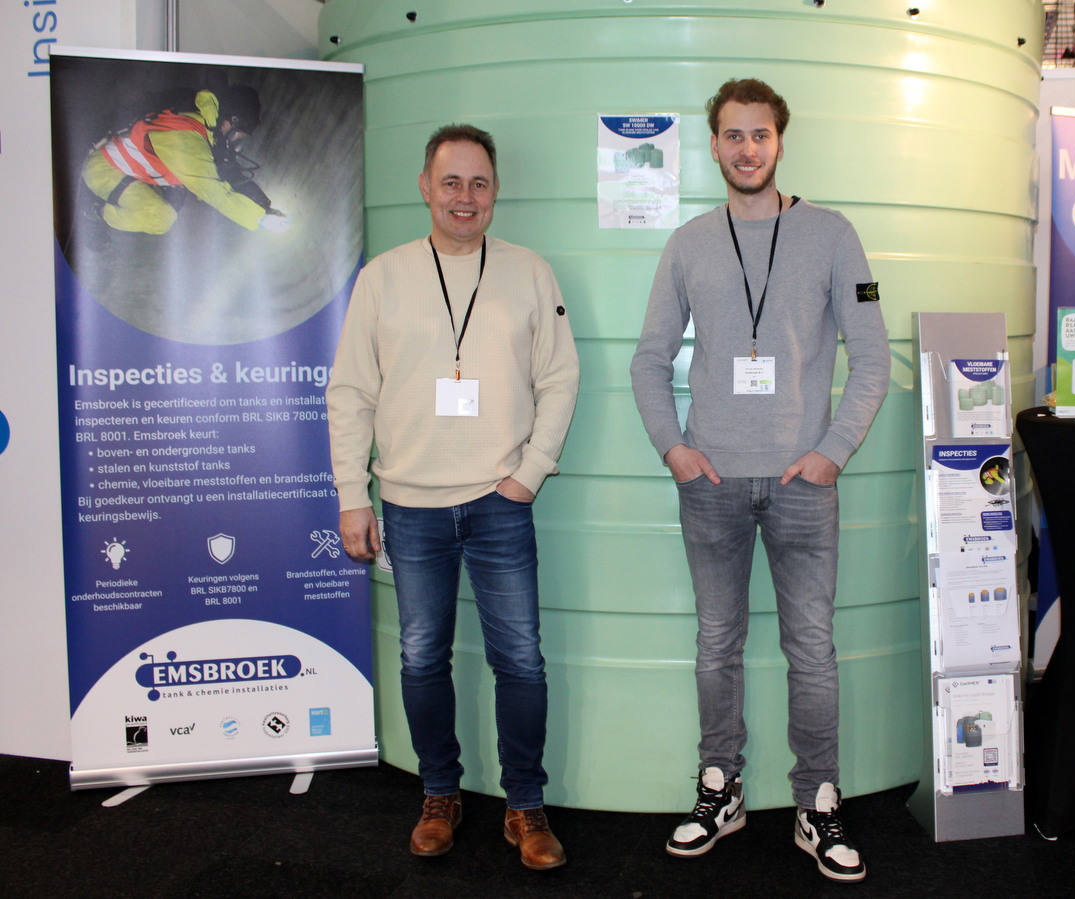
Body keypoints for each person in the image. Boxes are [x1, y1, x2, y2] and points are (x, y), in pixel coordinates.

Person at [630, 78, 890, 883]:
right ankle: (721, 786)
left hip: (804, 484)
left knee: (811, 648)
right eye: (734, 135)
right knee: (717, 642)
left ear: (780, 142)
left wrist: (833, 451)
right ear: (714, 145)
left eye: (761, 135)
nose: (748, 149)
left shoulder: (833, 235)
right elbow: (648, 359)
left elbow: (873, 357)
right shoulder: (688, 243)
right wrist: (674, 449)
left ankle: (818, 800)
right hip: (710, 482)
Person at [326, 124, 579, 870]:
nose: (464, 197)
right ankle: (440, 793)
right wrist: (352, 494)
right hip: (410, 505)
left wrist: (530, 471)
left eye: (478, 183)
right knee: (421, 658)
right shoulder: (382, 278)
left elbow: (559, 377)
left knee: (521, 661)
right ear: (424, 187)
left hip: (501, 501)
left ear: (495, 191)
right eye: (450, 182)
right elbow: (350, 391)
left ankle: (525, 805)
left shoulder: (529, 271)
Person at [81, 84, 289, 235]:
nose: (235, 141)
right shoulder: (187, 139)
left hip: (130, 169)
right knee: (161, 218)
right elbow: (214, 192)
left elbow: (230, 174)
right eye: (237, 135)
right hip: (105, 170)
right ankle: (95, 211)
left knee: (176, 195)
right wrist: (259, 218)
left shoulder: (203, 127)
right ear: (228, 121)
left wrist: (264, 205)